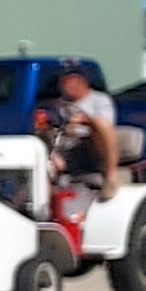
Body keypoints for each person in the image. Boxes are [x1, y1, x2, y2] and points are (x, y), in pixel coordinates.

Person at [46, 65, 119, 196]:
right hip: (66, 147)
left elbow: (106, 124)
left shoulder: (100, 100)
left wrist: (84, 119)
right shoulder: (60, 105)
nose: (63, 87)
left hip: (90, 145)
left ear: (80, 82)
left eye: (67, 82)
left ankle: (111, 176)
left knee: (101, 124)